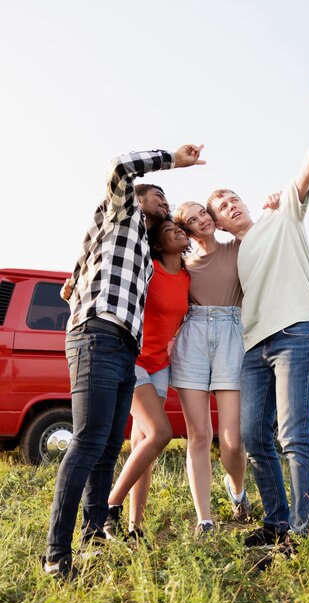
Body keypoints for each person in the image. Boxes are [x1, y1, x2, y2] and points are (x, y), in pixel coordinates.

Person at [42, 144, 204, 579]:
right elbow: (119, 166)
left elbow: (87, 253)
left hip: (124, 345)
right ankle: (57, 555)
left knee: (111, 445)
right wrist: (174, 158)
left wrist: (74, 277)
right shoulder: (122, 212)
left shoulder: (144, 255)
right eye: (160, 198)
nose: (165, 205)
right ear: (138, 197)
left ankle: (93, 536)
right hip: (96, 334)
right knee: (89, 441)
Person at [206, 80, 309, 552]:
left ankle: (301, 534)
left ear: (244, 203)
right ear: (220, 223)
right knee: (252, 436)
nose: (230, 205)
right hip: (253, 348)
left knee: (293, 436)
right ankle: (276, 520)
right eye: (221, 207)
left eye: (232, 197)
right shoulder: (229, 253)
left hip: (294, 334)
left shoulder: (281, 215)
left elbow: (306, 172)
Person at [103, 215, 190, 541]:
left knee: (143, 444)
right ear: (156, 243)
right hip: (134, 360)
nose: (177, 231)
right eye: (169, 230)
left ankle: (134, 528)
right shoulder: (147, 268)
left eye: (179, 228)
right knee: (160, 433)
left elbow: (183, 314)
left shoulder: (186, 275)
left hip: (160, 365)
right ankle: (109, 505)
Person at [170, 201, 252, 534]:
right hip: (193, 338)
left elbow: (258, 232)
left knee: (233, 441)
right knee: (199, 435)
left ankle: (237, 491)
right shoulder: (183, 264)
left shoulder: (236, 246)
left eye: (203, 213)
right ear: (186, 230)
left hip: (232, 334)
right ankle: (204, 518)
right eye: (192, 219)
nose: (202, 219)